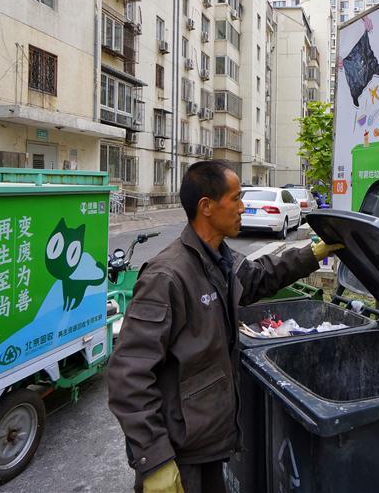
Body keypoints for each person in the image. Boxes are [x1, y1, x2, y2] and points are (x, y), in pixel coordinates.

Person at [107, 161, 342, 493]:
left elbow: (259, 276)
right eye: (236, 198)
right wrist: (155, 460)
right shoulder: (167, 277)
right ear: (206, 206)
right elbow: (127, 375)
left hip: (210, 441)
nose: (243, 207)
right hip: (179, 454)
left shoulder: (220, 259)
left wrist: (312, 254)